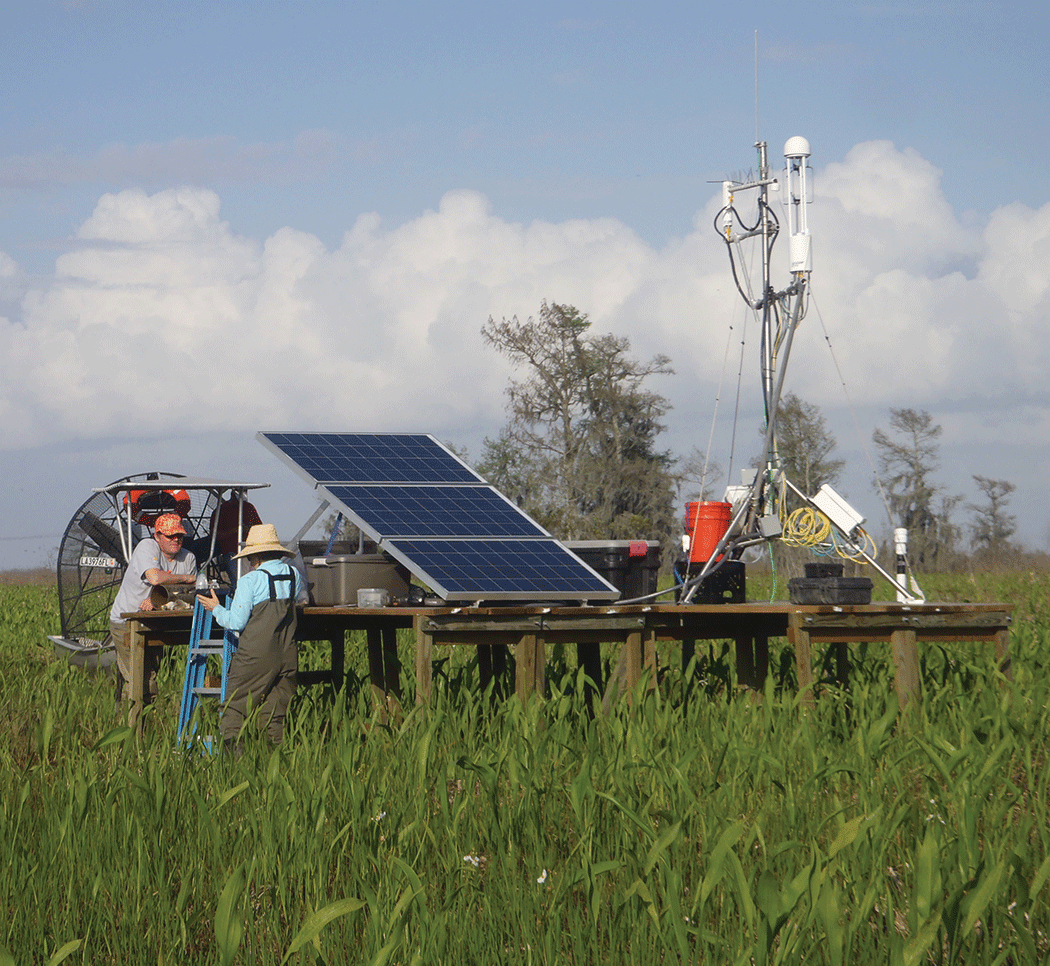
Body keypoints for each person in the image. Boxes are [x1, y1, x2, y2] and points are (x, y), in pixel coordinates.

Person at [196, 523, 303, 752]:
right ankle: (277, 764)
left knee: (235, 708)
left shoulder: (250, 581)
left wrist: (216, 608)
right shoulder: (294, 575)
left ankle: (236, 766)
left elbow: (236, 622)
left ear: (255, 557)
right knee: (275, 714)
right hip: (287, 653)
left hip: (255, 655)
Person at [109, 512, 198, 708]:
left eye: (179, 536)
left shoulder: (188, 558)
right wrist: (185, 579)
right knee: (140, 678)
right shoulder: (146, 547)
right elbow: (155, 578)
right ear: (157, 536)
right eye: (170, 536)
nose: (176, 540)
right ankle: (133, 725)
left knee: (151, 675)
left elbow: (189, 594)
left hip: (156, 622)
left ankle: (142, 720)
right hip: (126, 622)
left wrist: (156, 599)